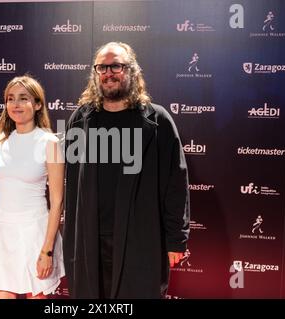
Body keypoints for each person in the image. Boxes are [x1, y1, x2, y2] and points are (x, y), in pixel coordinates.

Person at [63, 42, 190, 298]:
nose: (108, 73)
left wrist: (176, 239)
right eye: (102, 67)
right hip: (90, 241)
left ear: (131, 70)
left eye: (116, 66)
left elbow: (175, 185)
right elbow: (73, 185)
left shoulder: (158, 121)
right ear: (95, 73)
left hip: (140, 239)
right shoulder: (79, 119)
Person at [0, 75, 65, 299]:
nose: (15, 104)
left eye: (23, 98)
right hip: (2, 234)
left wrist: (47, 250)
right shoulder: (0, 142)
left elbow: (57, 202)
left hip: (35, 235)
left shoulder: (50, 143)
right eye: (10, 99)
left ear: (37, 105)